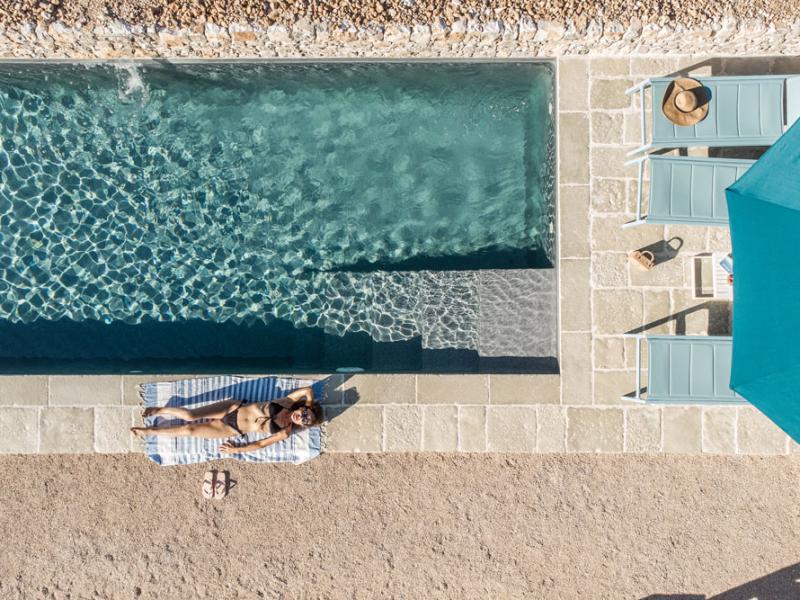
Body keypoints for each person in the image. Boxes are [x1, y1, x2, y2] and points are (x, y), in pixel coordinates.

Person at [130, 386, 323, 454]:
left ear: (302, 425)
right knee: (190, 415)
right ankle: (159, 410)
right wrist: (311, 406)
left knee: (189, 430)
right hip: (233, 408)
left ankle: (149, 432)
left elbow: (260, 444)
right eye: (305, 413)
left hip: (231, 429)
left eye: (305, 421)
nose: (303, 417)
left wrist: (235, 449)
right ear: (303, 407)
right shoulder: (287, 402)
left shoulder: (286, 431)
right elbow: (308, 391)